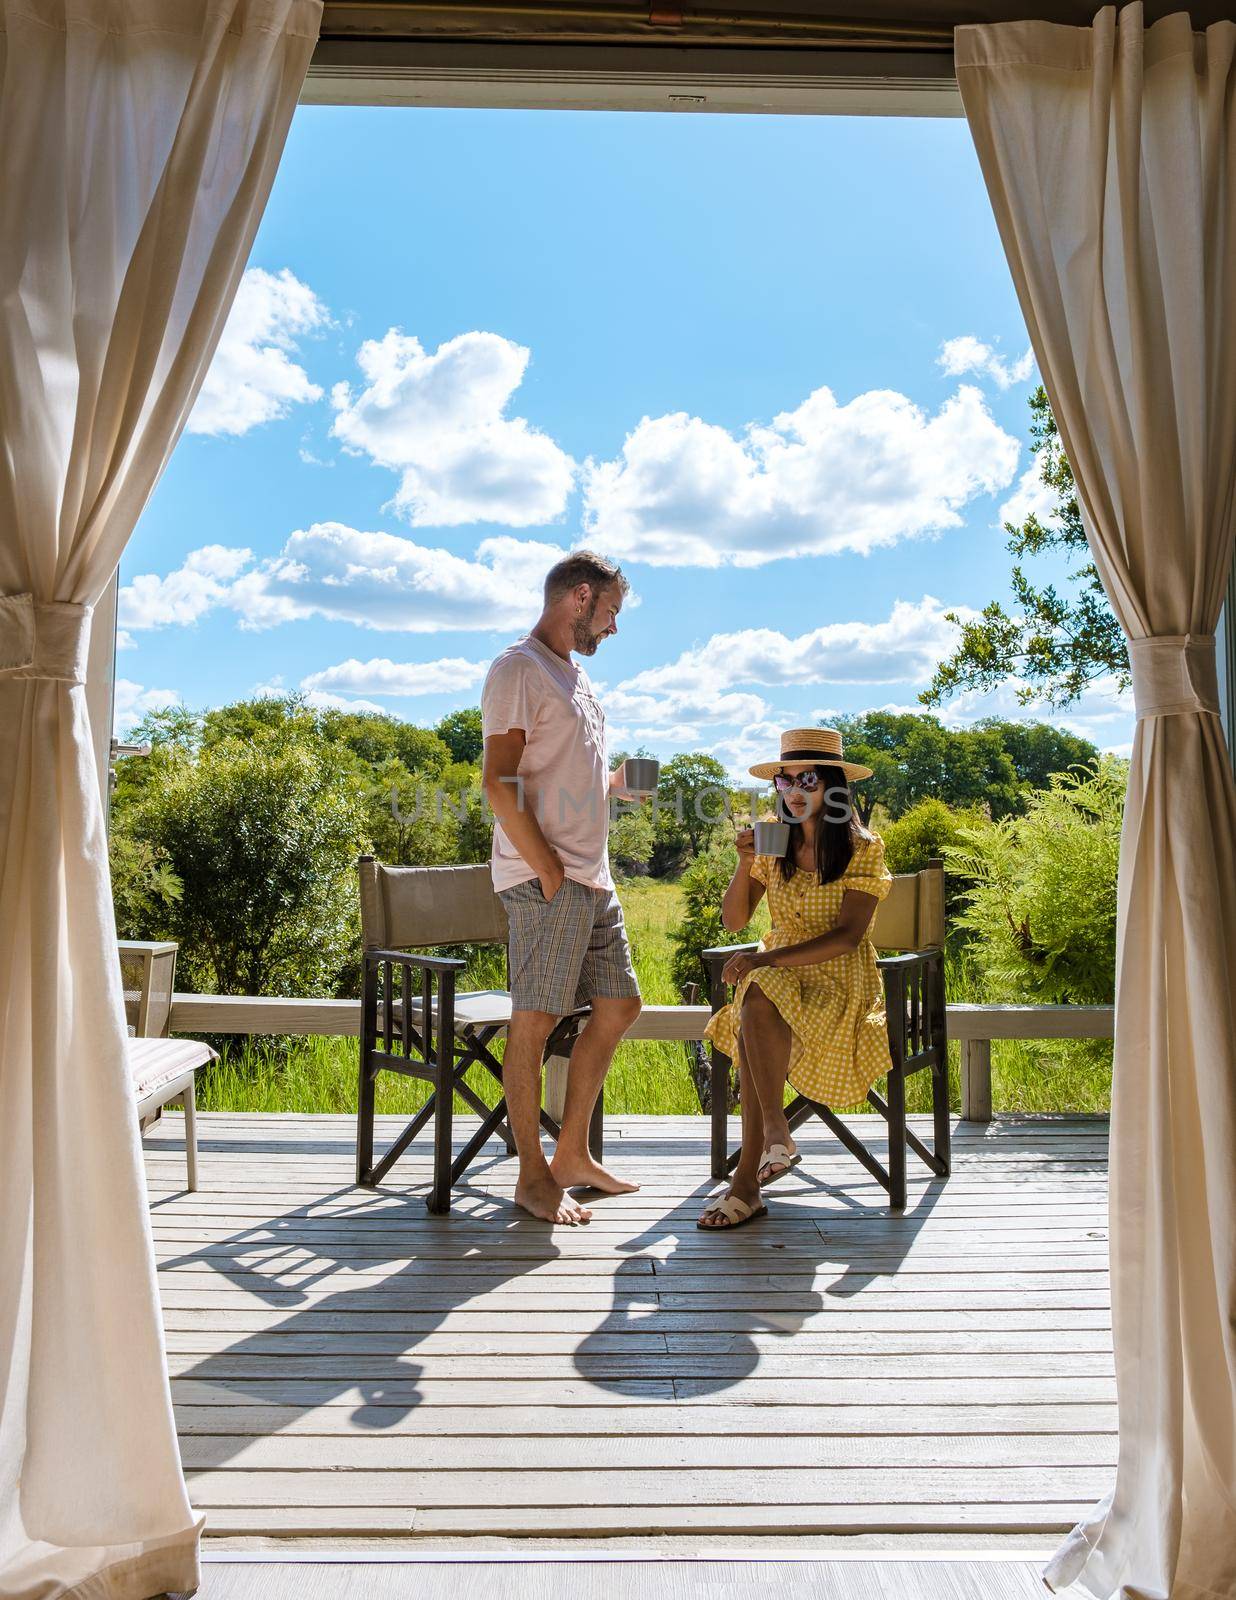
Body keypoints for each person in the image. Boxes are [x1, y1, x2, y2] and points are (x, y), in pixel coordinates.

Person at [481, 551, 645, 1225]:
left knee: (620, 1005)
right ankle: (530, 1177)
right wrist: (547, 868)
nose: (613, 628)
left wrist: (616, 786)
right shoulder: (518, 669)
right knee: (536, 1023)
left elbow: (565, 775)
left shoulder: (575, 680)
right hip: (549, 879)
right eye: (609, 613)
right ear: (579, 598)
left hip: (591, 878)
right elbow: (500, 781)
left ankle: (570, 1155)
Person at [699, 727, 894, 1230]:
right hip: (778, 978)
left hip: (838, 981)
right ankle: (773, 1138)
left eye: (805, 778)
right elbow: (735, 922)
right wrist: (744, 865)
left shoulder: (862, 848)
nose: (792, 791)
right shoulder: (773, 840)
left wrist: (763, 961)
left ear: (831, 785)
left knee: (757, 994)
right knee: (759, 997)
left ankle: (752, 1171)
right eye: (784, 781)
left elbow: (848, 938)